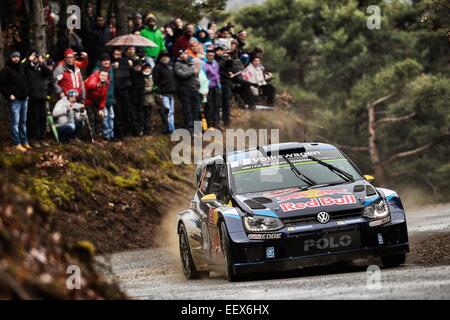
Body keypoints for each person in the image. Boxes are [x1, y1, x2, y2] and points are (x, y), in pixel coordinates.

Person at [0, 51, 30, 152]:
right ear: (10, 58)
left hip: (24, 98)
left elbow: (26, 81)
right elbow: (2, 85)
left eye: (18, 57)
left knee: (23, 122)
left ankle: (24, 141)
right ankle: (16, 143)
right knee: (15, 122)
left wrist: (27, 93)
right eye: (14, 57)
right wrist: (9, 95)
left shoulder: (21, 68)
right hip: (15, 100)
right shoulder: (6, 70)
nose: (16, 58)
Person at [26, 52, 52, 147]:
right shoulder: (28, 67)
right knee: (34, 118)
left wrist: (42, 63)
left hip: (42, 96)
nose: (37, 59)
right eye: (36, 57)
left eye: (38, 57)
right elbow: (23, 69)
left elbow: (49, 73)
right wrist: (30, 61)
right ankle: (34, 138)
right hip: (33, 96)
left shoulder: (42, 68)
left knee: (42, 118)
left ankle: (42, 137)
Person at [174, 50, 201, 133]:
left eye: (185, 53)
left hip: (194, 89)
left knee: (196, 110)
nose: (184, 55)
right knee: (187, 110)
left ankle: (197, 129)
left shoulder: (191, 63)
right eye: (182, 54)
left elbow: (197, 76)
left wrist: (198, 85)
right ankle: (189, 128)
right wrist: (193, 71)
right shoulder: (177, 64)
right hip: (184, 90)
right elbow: (181, 75)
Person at [153, 52, 176, 134]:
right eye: (163, 57)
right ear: (160, 58)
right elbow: (155, 81)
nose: (165, 58)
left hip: (171, 92)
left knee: (171, 111)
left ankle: (172, 128)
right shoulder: (157, 68)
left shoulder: (170, 67)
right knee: (167, 111)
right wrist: (158, 93)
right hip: (163, 93)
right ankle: (168, 128)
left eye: (167, 56)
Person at [111, 48, 132, 138]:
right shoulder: (111, 62)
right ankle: (118, 133)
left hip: (125, 90)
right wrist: (113, 67)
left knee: (126, 111)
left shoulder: (126, 61)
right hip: (115, 91)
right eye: (116, 54)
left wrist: (131, 63)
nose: (118, 57)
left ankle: (127, 131)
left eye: (119, 54)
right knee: (117, 112)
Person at [94, 54, 115, 141]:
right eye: (104, 60)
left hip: (110, 96)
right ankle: (105, 134)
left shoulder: (111, 69)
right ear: (101, 61)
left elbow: (112, 85)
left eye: (108, 60)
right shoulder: (97, 70)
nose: (106, 62)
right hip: (101, 98)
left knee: (111, 116)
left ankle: (111, 133)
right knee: (105, 116)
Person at [84, 69, 110, 136]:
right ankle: (90, 136)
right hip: (87, 101)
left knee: (99, 117)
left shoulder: (106, 84)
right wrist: (97, 85)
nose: (103, 77)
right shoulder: (94, 78)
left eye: (105, 76)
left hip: (96, 102)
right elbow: (88, 85)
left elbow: (104, 97)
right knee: (91, 118)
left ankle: (98, 134)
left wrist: (101, 108)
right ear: (99, 75)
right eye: (102, 75)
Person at [202, 49, 221, 129]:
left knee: (217, 106)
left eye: (212, 56)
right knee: (209, 106)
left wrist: (219, 85)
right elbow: (203, 77)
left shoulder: (215, 63)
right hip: (208, 87)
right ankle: (209, 124)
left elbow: (217, 74)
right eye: (209, 55)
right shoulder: (204, 64)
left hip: (216, 87)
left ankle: (216, 123)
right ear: (206, 56)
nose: (211, 57)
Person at [215, 46, 233, 126]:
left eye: (220, 51)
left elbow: (230, 65)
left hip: (225, 82)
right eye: (217, 51)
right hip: (216, 83)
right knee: (217, 103)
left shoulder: (226, 59)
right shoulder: (214, 60)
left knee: (226, 102)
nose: (219, 52)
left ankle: (226, 120)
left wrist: (229, 58)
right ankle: (217, 120)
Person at [129, 60, 145, 136]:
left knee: (141, 114)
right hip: (132, 98)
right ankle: (135, 131)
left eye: (139, 66)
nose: (138, 67)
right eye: (136, 66)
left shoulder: (143, 75)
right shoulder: (131, 74)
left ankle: (141, 129)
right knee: (134, 115)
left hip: (141, 98)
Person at [141, 64, 156, 135]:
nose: (147, 70)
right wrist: (151, 89)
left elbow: (155, 86)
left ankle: (149, 128)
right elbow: (143, 89)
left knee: (150, 115)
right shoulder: (142, 77)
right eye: (146, 69)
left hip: (151, 99)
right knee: (145, 115)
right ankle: (145, 129)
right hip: (144, 99)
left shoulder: (152, 77)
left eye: (148, 68)